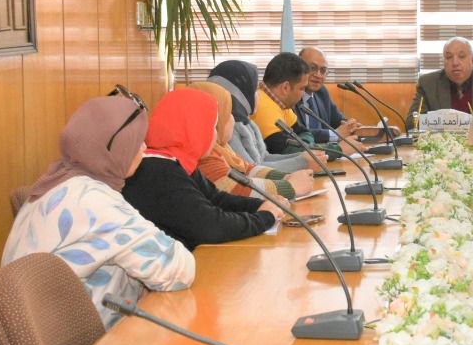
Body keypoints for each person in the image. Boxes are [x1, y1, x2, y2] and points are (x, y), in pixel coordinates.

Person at [0, 92, 195, 345]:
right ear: (113, 149)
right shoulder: (93, 202)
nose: (143, 148)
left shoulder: (59, 179)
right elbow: (178, 269)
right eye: (135, 141)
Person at [121, 89, 278, 250]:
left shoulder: (176, 160)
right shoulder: (159, 172)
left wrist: (261, 205)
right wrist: (264, 218)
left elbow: (217, 198)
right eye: (212, 127)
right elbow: (210, 227)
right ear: (194, 128)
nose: (215, 135)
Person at [188, 81, 315, 201]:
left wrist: (286, 177)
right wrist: (289, 186)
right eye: (227, 113)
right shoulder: (205, 159)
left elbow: (248, 169)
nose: (232, 119)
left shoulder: (222, 149)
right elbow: (236, 189)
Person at [207, 60, 323, 175]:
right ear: (239, 93)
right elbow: (250, 170)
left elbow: (265, 157)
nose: (257, 94)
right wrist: (302, 162)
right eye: (253, 89)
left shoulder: (247, 123)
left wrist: (304, 156)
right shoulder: (226, 127)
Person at [294, 46, 363, 146]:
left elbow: (338, 120)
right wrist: (335, 134)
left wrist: (350, 126)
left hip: (325, 151)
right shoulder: (289, 95)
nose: (318, 75)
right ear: (298, 67)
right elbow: (297, 133)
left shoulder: (321, 92)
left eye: (323, 70)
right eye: (312, 68)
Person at [251, 52, 315, 156]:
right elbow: (287, 151)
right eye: (302, 88)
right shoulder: (261, 105)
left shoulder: (280, 103)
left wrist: (304, 144)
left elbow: (304, 132)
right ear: (285, 87)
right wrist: (338, 149)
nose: (303, 94)